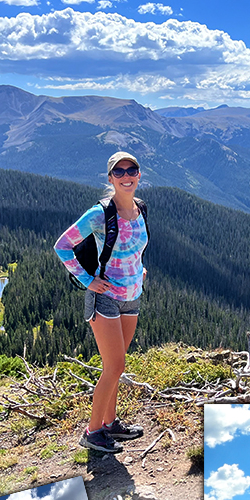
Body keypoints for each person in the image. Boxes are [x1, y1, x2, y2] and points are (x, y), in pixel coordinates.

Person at [54, 151, 149, 453]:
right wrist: (87, 280)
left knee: (117, 367)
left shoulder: (140, 209)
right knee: (114, 366)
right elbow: (63, 245)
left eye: (130, 170)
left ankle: (110, 424)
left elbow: (135, 245)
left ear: (138, 174)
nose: (125, 176)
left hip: (132, 297)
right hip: (104, 298)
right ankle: (92, 432)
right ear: (110, 178)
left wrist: (139, 267)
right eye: (118, 172)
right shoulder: (99, 214)